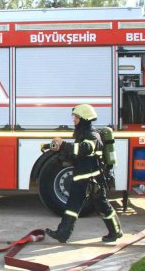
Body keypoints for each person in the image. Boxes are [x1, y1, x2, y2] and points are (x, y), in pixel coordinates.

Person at [45, 104, 123, 243]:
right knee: (73, 206)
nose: (74, 120)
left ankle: (115, 231)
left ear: (84, 119)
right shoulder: (83, 133)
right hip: (83, 177)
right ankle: (63, 233)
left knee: (102, 205)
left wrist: (63, 145)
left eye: (76, 117)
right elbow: (78, 154)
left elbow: (86, 149)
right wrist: (60, 154)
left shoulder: (92, 135)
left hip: (92, 179)